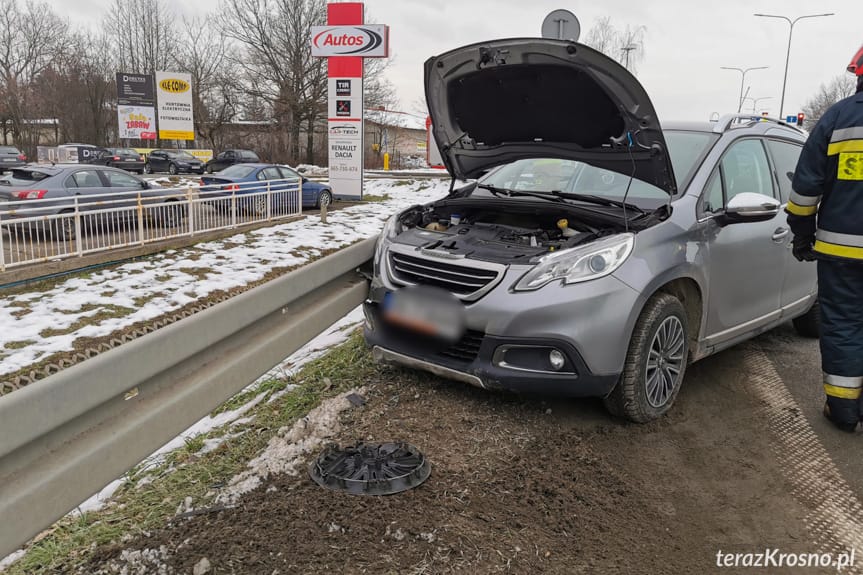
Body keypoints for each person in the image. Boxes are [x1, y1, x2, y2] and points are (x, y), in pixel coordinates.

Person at [786, 44, 863, 432]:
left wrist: (802, 236)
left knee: (844, 325)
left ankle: (845, 412)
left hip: (841, 254)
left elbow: (804, 192)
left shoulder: (837, 118)